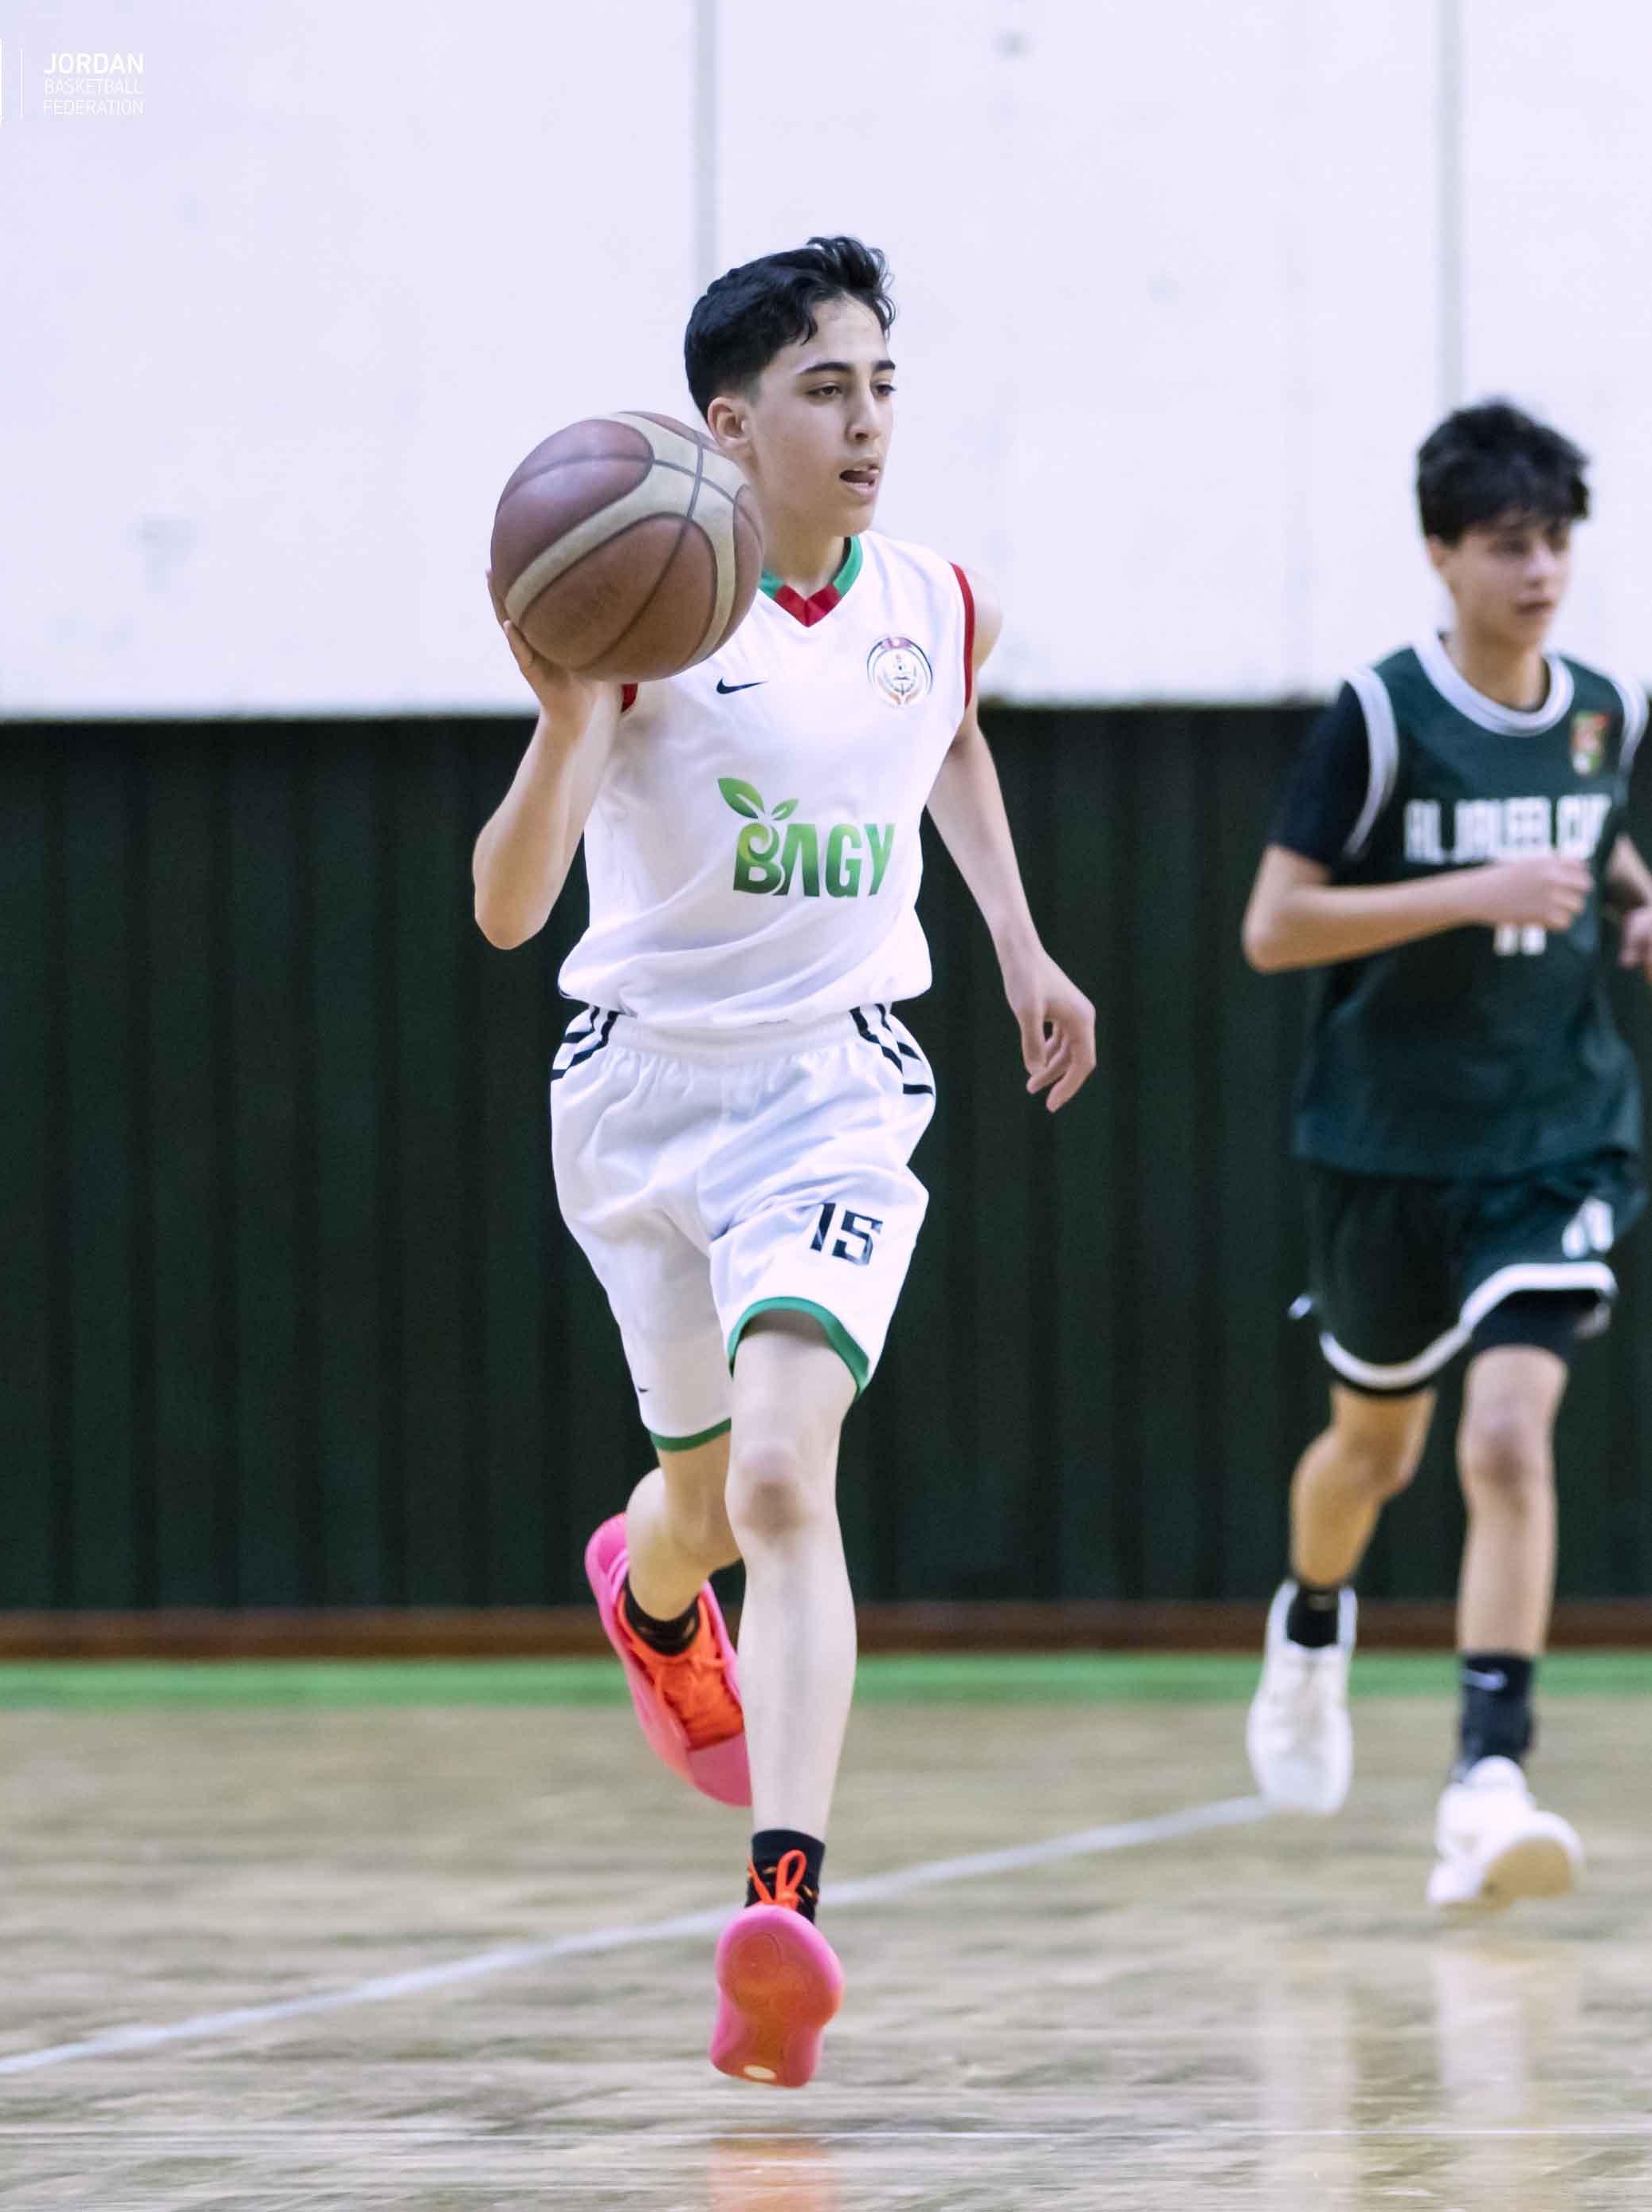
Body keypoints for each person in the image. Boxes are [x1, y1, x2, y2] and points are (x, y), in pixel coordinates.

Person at [473, 236, 1096, 2079]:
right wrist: (566, 721)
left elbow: (949, 733)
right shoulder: (638, 620)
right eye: (828, 390)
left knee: (778, 1476)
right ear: (728, 425)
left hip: (836, 1087)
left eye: (884, 385)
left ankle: (783, 1913)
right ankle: (650, 1597)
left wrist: (1020, 942)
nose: (869, 422)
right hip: (639, 1097)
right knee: (696, 1504)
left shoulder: (938, 599)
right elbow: (506, 911)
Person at [1242, 399, 1652, 1910]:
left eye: (1554, 544)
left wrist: (1633, 898)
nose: (1536, 572)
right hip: (1386, 1148)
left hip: (1553, 1138)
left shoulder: (1603, 708)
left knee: (1505, 1439)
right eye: (1504, 545)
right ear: (1440, 552)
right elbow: (1273, 927)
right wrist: (1470, 890)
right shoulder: (1377, 716)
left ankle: (1488, 1778)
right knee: (1373, 1451)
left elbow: (1590, 836)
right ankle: (1309, 1626)